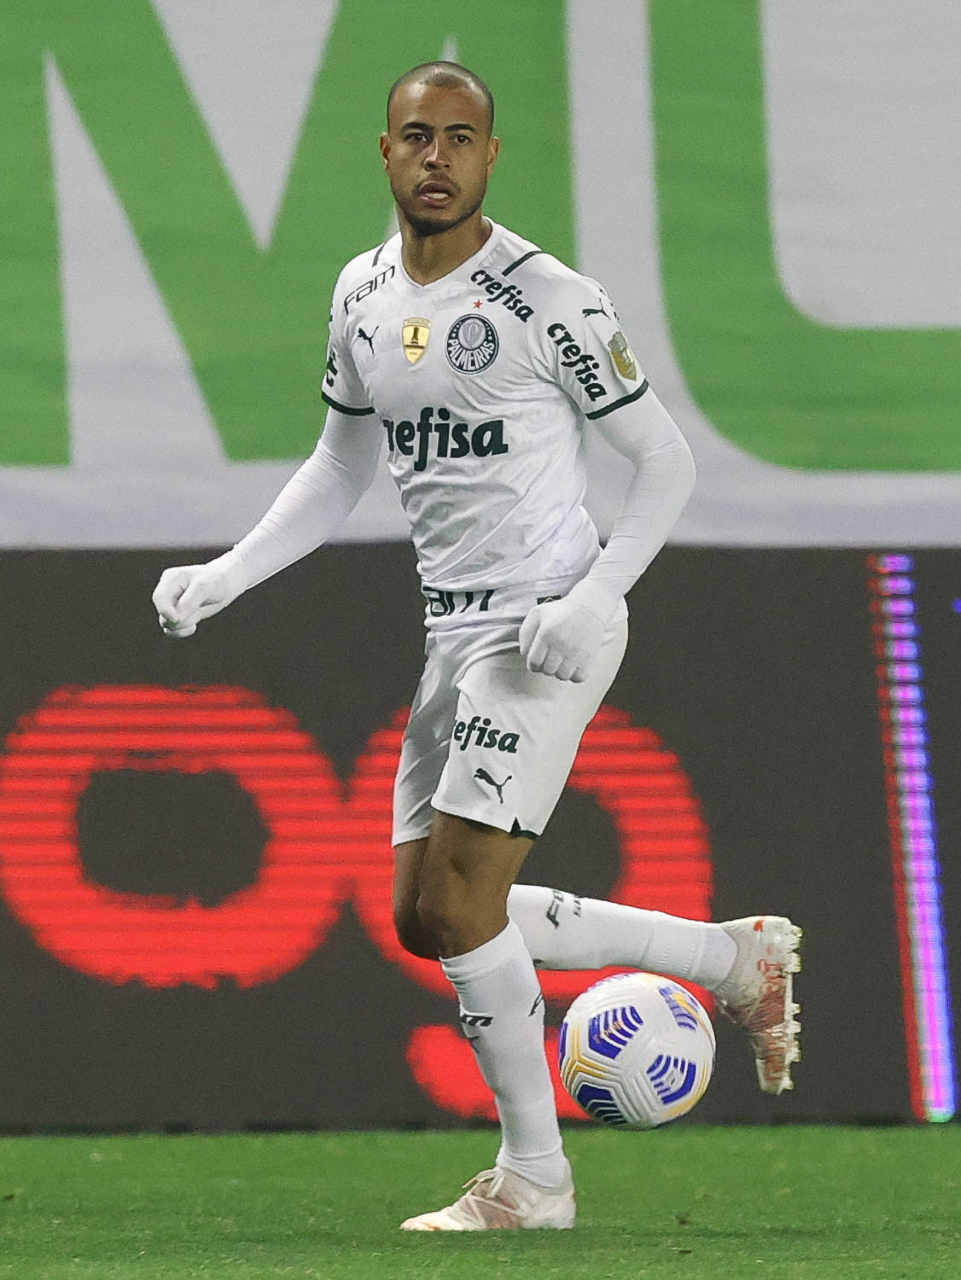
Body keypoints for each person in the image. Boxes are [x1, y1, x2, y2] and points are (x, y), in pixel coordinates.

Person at [152, 61, 801, 1232]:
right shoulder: (360, 292)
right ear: (385, 150)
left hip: (544, 623)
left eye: (460, 137)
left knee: (459, 900)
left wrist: (597, 593)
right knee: (427, 912)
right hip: (451, 627)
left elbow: (665, 460)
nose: (438, 156)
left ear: (491, 155)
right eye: (418, 136)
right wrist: (229, 571)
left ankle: (534, 1179)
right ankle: (727, 958)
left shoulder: (549, 298)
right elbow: (342, 461)